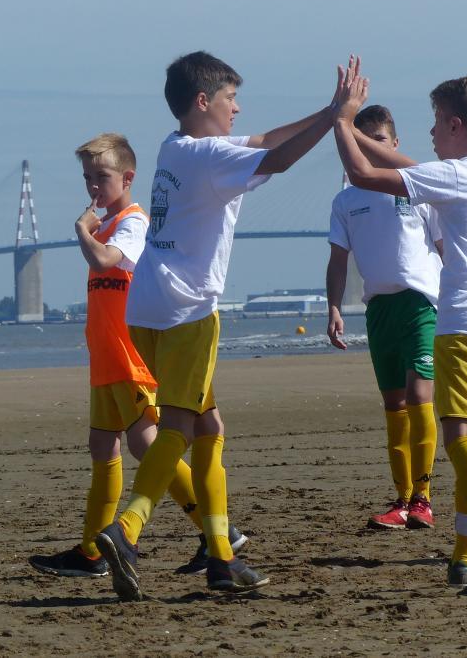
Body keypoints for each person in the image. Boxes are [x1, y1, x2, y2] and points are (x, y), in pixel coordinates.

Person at [96, 51, 348, 601]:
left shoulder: (174, 146)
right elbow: (277, 159)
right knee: (179, 427)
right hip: (188, 309)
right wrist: (334, 121)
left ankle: (221, 556)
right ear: (203, 101)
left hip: (146, 306)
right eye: (231, 99)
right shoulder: (210, 156)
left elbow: (264, 140)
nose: (238, 109)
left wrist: (328, 111)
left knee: (209, 428)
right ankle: (127, 530)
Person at [331, 58, 467, 597]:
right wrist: (360, 132)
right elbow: (408, 164)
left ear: (454, 124)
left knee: (461, 441)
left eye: (435, 121)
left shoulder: (453, 176)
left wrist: (340, 121)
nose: (428, 132)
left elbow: (363, 176)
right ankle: (464, 558)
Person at [28, 133, 246, 580]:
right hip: (105, 359)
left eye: (102, 177)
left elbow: (105, 261)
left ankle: (216, 532)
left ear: (127, 178)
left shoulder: (132, 223)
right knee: (101, 445)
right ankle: (91, 551)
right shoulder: (107, 224)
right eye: (87, 178)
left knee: (146, 443)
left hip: (131, 359)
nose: (93, 187)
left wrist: (81, 230)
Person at [325, 104, 442, 531]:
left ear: (394, 144)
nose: (371, 148)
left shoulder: (418, 188)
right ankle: (402, 499)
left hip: (420, 304)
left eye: (378, 140)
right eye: (361, 141)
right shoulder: (346, 200)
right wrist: (334, 307)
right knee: (394, 404)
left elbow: (445, 247)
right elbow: (338, 260)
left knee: (419, 395)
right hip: (379, 309)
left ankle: (423, 498)